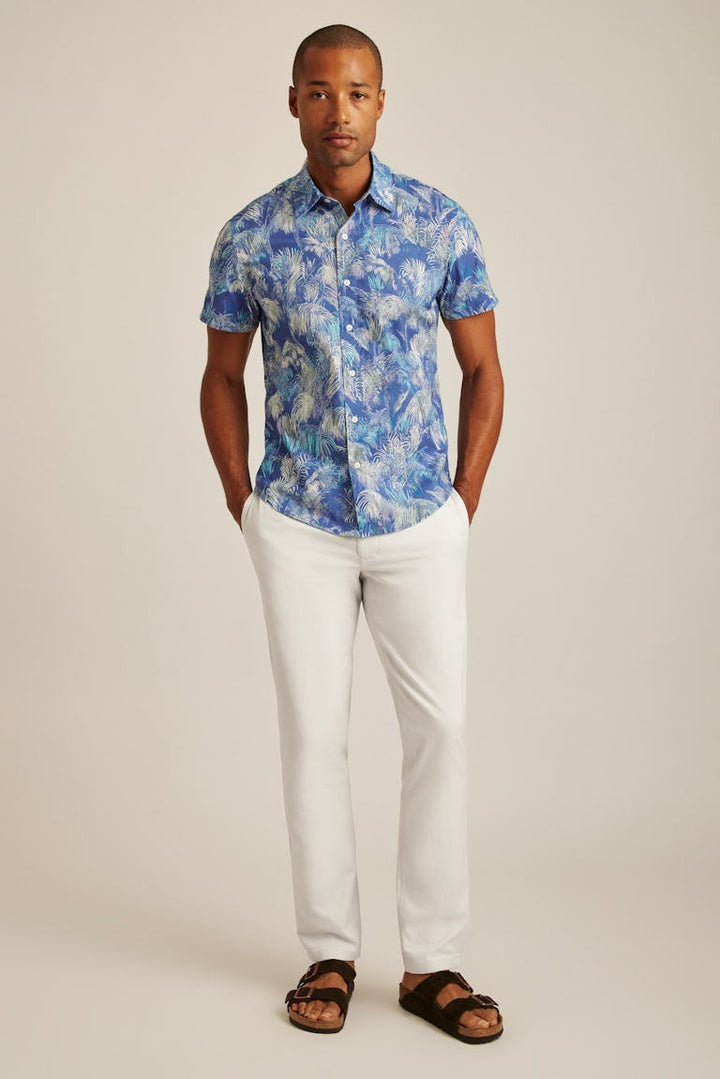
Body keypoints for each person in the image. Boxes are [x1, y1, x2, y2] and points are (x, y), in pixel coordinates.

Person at [199, 23, 505, 1044]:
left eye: (358, 92)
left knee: (440, 731)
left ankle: (433, 962)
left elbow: (483, 370)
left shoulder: (438, 223)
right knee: (314, 736)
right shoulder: (250, 235)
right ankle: (329, 950)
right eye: (321, 92)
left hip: (420, 519)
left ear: (382, 103)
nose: (340, 112)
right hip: (301, 522)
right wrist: (246, 502)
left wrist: (462, 500)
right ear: (294, 102)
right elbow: (220, 375)